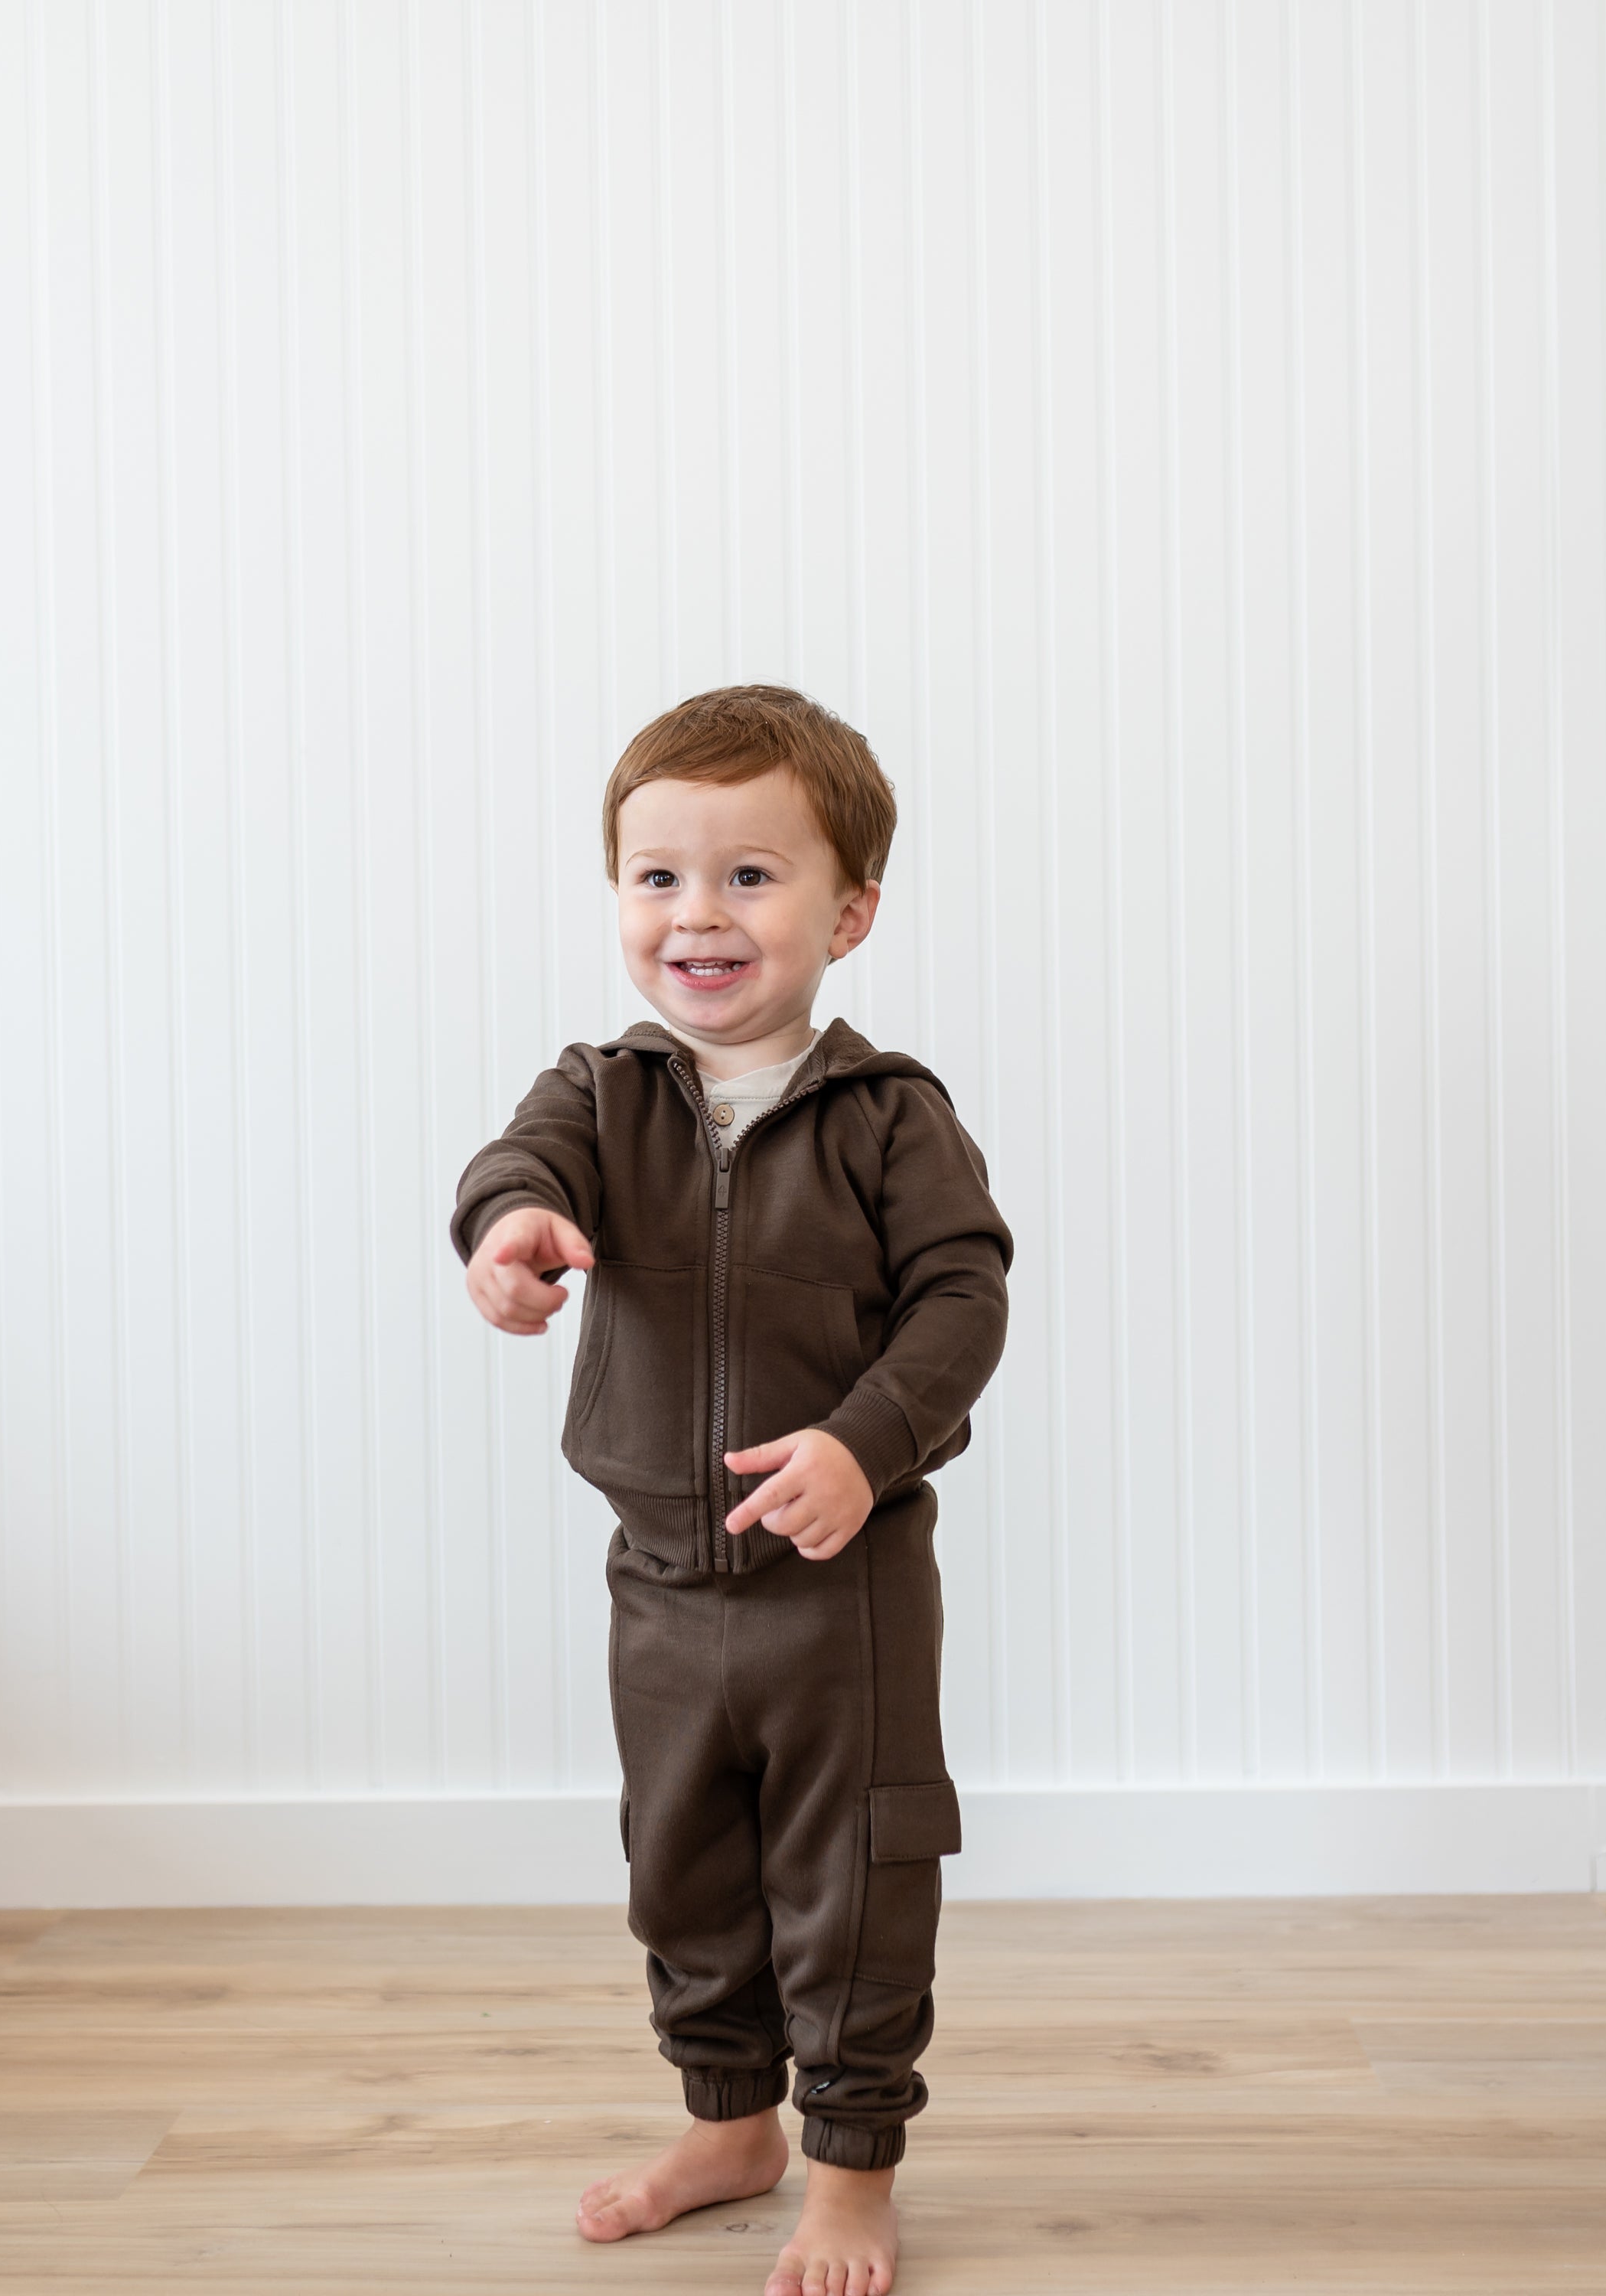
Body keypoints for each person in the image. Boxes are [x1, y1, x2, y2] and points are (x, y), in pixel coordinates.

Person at [448, 685, 1014, 2296]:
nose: (699, 912)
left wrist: (865, 1441)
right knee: (681, 1861)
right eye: (659, 876)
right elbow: (511, 1170)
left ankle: (848, 2164)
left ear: (851, 910)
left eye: (749, 877)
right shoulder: (600, 1092)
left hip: (839, 1600)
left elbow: (964, 1299)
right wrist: (508, 1239)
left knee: (850, 1878)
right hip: (660, 1581)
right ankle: (729, 2121)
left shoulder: (886, 1116)